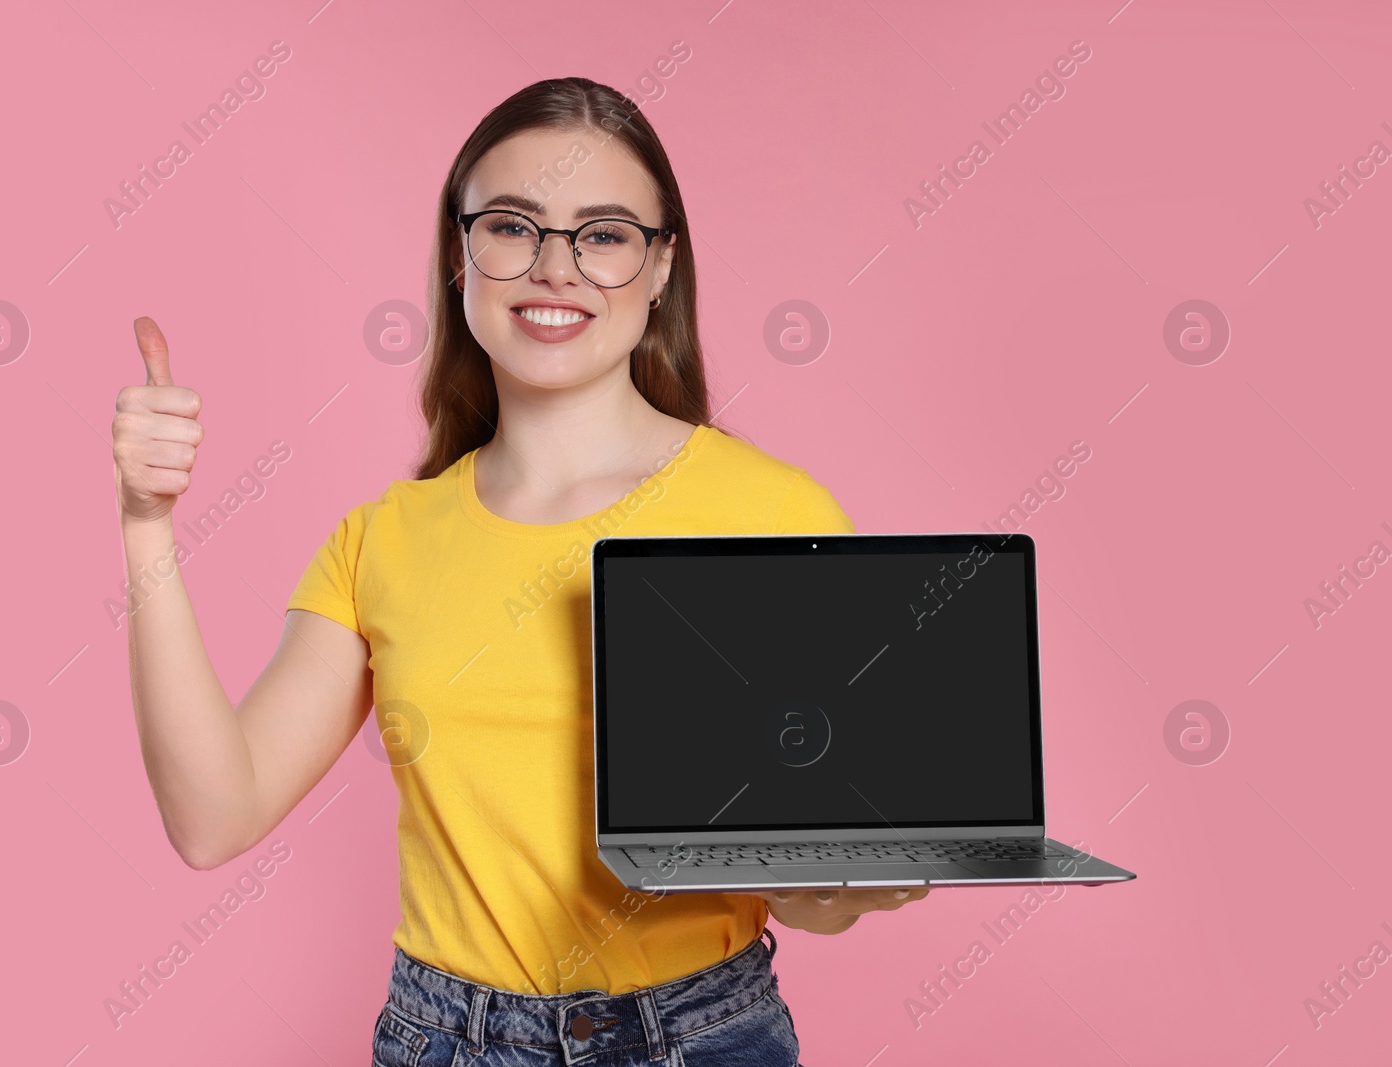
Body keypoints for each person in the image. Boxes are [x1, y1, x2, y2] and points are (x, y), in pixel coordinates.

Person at [111, 76, 929, 1067]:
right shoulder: (385, 538)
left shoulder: (773, 514)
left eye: (604, 233)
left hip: (701, 1034)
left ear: (661, 265)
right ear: (461, 254)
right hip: (443, 1039)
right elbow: (213, 813)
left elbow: (808, 881)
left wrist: (834, 884)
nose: (556, 268)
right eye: (513, 226)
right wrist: (147, 524)